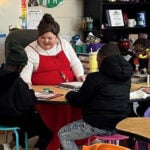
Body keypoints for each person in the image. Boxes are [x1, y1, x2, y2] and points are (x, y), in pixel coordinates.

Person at [58, 43, 133, 150]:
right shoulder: (126, 77)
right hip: (120, 123)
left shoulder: (94, 78)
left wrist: (69, 94)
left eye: (97, 57)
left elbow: (78, 101)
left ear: (102, 58)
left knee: (63, 134)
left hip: (98, 124)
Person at [0, 39, 53, 150]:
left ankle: (10, 144)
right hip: (12, 119)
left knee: (27, 123)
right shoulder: (17, 82)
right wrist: (31, 93)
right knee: (46, 131)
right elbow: (27, 103)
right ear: (20, 67)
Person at [21, 13, 85, 86]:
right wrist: (27, 87)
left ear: (56, 37)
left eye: (49, 38)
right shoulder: (30, 50)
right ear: (38, 36)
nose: (46, 41)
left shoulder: (64, 44)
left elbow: (75, 63)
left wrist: (80, 75)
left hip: (70, 88)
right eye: (42, 37)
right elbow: (25, 76)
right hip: (43, 92)